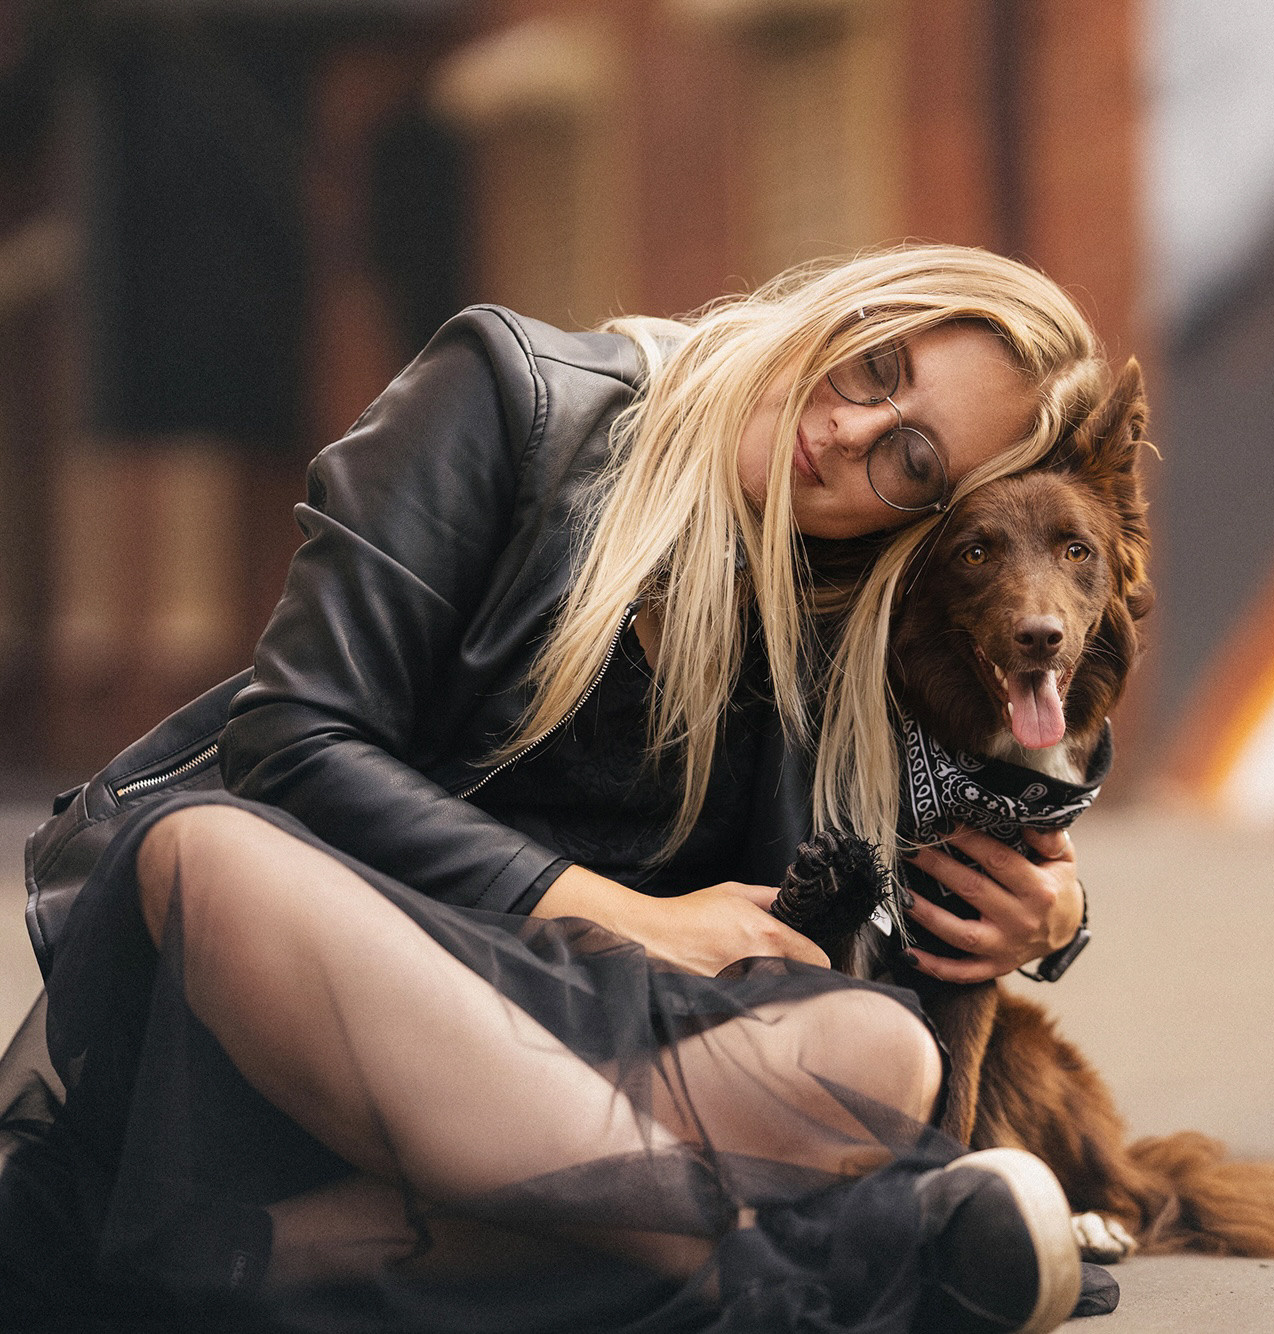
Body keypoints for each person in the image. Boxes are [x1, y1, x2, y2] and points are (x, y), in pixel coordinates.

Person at [0, 245, 1121, 1332]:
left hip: (583, 1025)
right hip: (323, 988)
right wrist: (623, 913)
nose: (850, 428)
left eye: (912, 461)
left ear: (915, 525)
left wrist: (1051, 910)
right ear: (848, 304)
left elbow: (1015, 697)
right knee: (206, 852)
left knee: (883, 1052)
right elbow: (293, 738)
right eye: (876, 363)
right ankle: (829, 1256)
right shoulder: (512, 398)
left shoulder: (832, 595)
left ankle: (268, 1257)